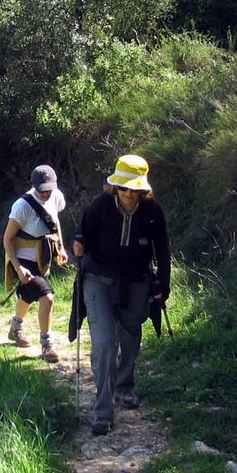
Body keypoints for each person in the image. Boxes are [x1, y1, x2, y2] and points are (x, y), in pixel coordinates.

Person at [72, 154, 171, 436]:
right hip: (98, 279)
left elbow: (162, 248)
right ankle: (103, 411)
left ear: (143, 189)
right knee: (104, 343)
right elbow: (82, 236)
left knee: (130, 335)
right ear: (115, 186)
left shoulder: (153, 211)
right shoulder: (100, 206)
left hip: (136, 280)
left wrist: (164, 283)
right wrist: (77, 246)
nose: (129, 193)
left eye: (134, 188)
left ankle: (125, 386)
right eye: (124, 187)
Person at [3, 164, 69, 363]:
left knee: (28, 295)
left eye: (49, 189)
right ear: (34, 186)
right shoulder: (21, 206)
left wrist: (61, 247)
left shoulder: (56, 196)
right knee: (46, 297)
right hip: (23, 258)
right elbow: (7, 239)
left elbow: (54, 222)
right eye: (42, 191)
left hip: (43, 257)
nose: (46, 194)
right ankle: (46, 343)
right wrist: (18, 268)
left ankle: (16, 328)